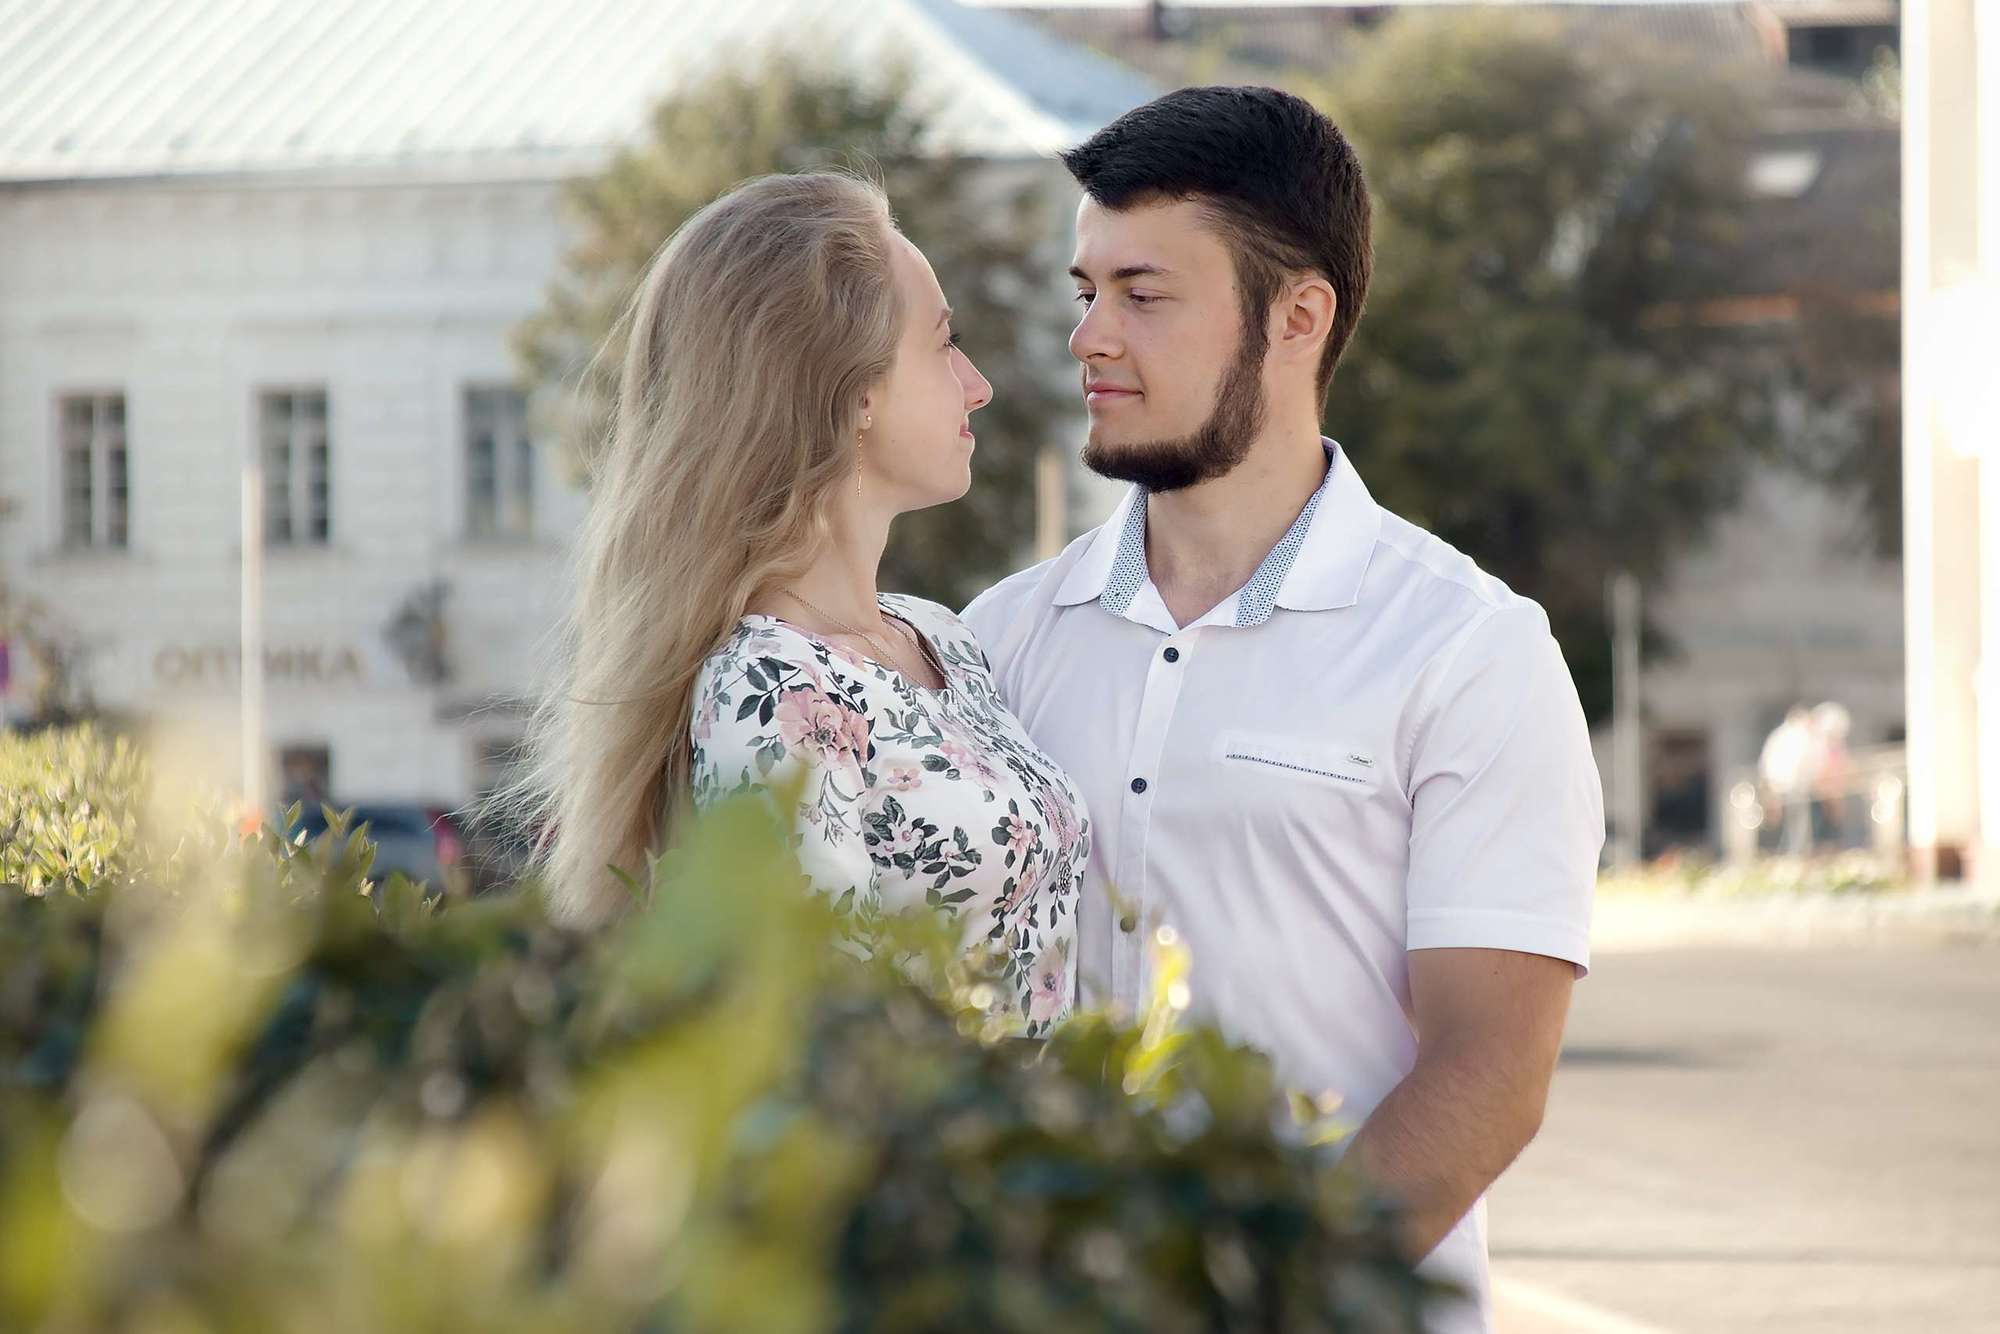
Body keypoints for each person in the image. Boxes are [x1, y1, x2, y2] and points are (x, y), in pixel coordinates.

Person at [964, 87, 1603, 1329]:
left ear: (1296, 316)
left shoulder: (1470, 652)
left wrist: (1254, 1296)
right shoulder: (997, 640)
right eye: (1082, 289)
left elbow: (1488, 1071)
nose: (1090, 335)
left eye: (1143, 294)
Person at [519, 172, 1090, 1035]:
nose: (977, 384)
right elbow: (820, 1045)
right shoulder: (768, 694)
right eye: (943, 344)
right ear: (854, 393)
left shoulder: (941, 638)